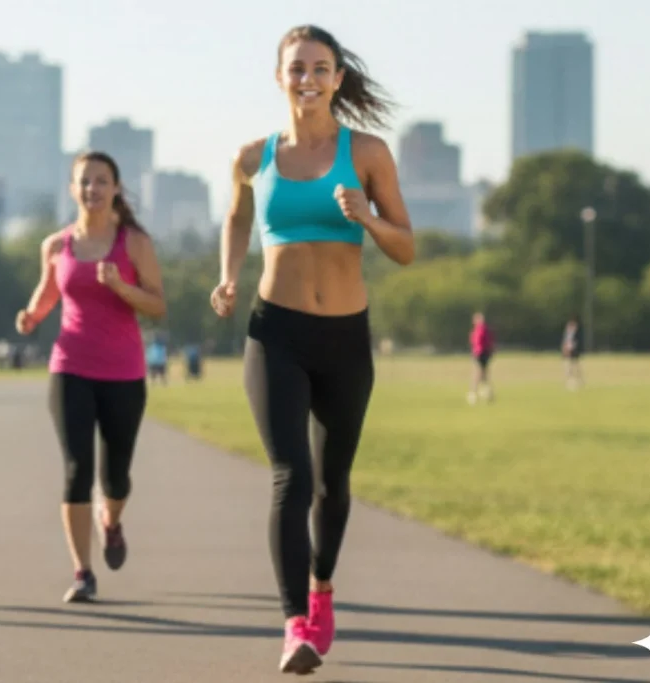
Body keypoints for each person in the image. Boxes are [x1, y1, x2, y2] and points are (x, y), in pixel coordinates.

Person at [210, 25, 414, 675]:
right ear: (279, 77)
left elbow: (406, 246)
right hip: (276, 333)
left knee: (333, 482)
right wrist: (229, 274)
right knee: (290, 476)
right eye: (297, 68)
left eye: (321, 68)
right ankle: (295, 621)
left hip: (345, 338)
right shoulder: (251, 155)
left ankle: (323, 587)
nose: (308, 78)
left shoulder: (370, 153)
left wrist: (368, 216)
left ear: (337, 79)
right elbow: (238, 215)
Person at [15, 151, 166, 604]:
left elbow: (157, 304)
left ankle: (111, 519)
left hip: (123, 370)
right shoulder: (56, 245)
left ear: (116, 188)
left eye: (101, 181)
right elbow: (47, 295)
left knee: (115, 476)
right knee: (77, 469)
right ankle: (82, 571)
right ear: (72, 189)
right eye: (84, 181)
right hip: (70, 366)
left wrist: (121, 287)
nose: (92, 190)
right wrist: (30, 316)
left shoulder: (134, 242)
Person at [468, 312, 495, 404]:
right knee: (481, 373)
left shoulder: (482, 330)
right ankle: (483, 392)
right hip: (482, 353)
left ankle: (478, 392)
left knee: (480, 373)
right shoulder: (480, 330)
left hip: (481, 353)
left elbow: (479, 342)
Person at [561, 315, 584, 390]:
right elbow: (565, 343)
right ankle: (570, 381)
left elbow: (577, 343)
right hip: (568, 353)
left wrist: (572, 348)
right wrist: (565, 349)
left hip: (574, 352)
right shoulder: (566, 334)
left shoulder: (577, 334)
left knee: (576, 367)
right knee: (568, 367)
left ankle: (580, 380)